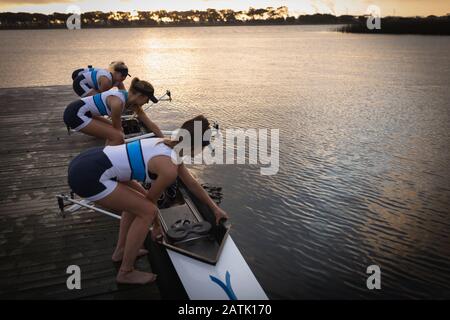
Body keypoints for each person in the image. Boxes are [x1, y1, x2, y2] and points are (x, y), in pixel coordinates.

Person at [67, 115, 229, 284]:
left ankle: (121, 251)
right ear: (195, 146)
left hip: (87, 161)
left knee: (136, 204)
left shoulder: (163, 143)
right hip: (89, 176)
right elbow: (150, 203)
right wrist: (156, 227)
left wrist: (214, 208)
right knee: (147, 211)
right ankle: (126, 272)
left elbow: (191, 183)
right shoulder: (168, 168)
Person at [63, 77, 163, 145]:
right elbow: (118, 131)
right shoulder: (117, 103)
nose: (147, 102)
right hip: (74, 114)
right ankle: (107, 161)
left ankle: (109, 153)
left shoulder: (132, 102)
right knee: (118, 136)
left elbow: (151, 125)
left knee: (115, 132)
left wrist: (164, 140)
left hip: (85, 112)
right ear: (140, 96)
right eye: (147, 99)